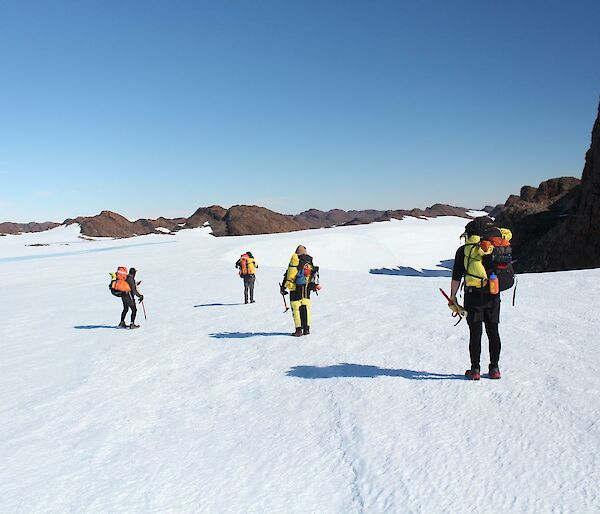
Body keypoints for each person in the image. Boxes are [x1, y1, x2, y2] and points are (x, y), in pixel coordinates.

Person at [449, 217, 510, 380]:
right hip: (493, 293)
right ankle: (494, 368)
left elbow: (456, 277)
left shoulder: (464, 251)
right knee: (493, 331)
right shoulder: (497, 247)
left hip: (472, 295)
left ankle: (475, 369)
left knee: (475, 333)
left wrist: (453, 297)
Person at [280, 245, 320, 337]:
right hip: (306, 289)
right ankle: (306, 329)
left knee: (296, 309)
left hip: (295, 289)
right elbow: (313, 275)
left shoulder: (295, 261)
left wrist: (283, 288)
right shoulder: (309, 261)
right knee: (305, 308)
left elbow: (288, 275)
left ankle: (298, 330)